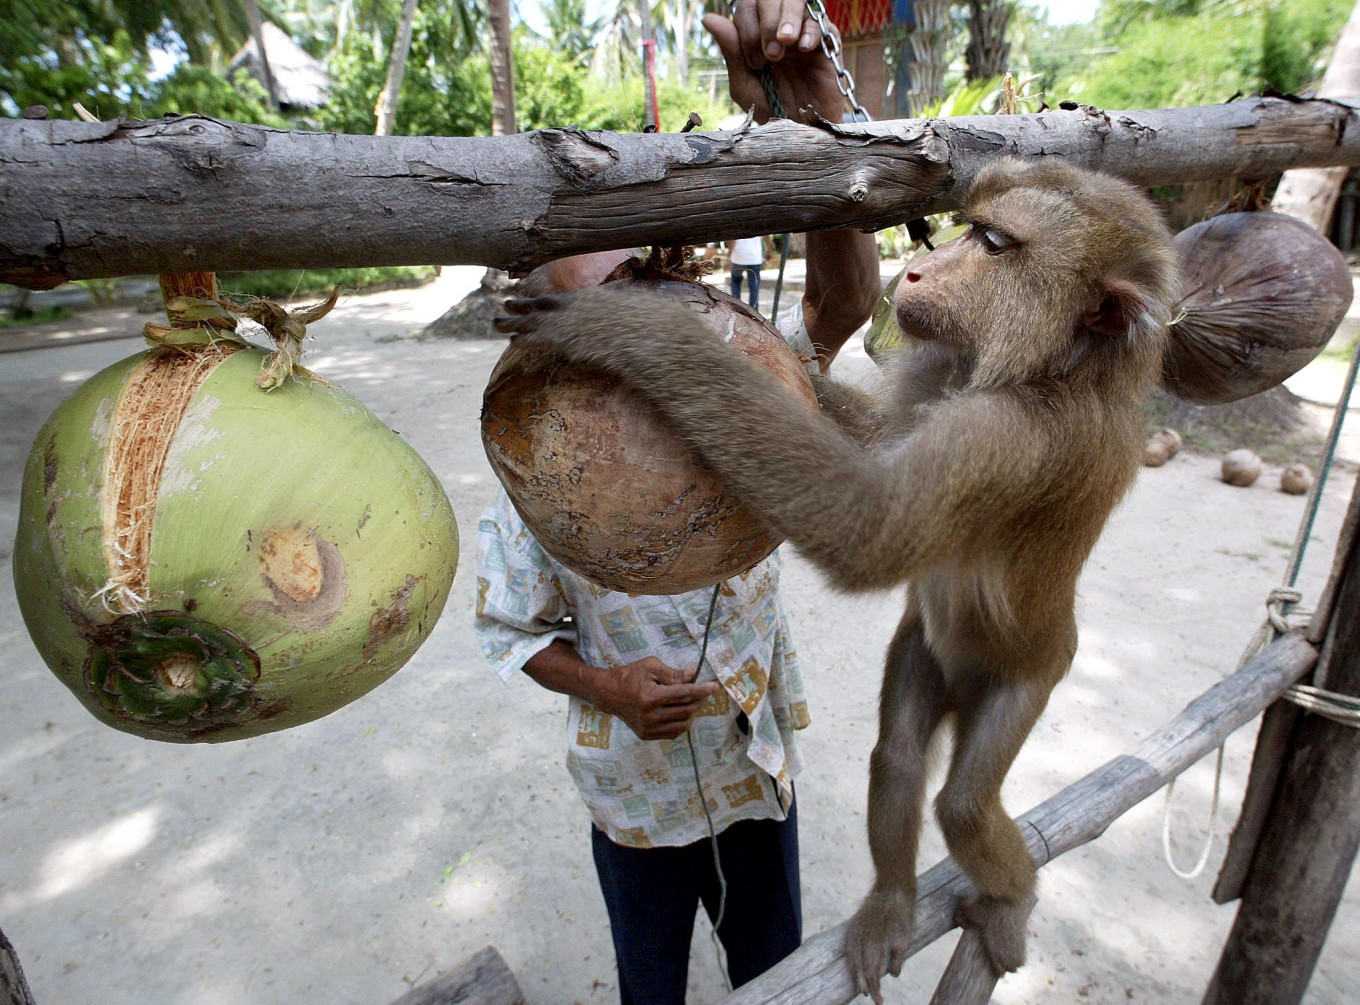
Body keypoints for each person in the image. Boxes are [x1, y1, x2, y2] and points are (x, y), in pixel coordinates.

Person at [475, 4, 880, 1002]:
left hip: (755, 774)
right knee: (648, 985)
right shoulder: (534, 444)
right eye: (606, 293)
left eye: (654, 271)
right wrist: (605, 686)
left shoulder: (746, 369)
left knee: (771, 972)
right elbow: (506, 628)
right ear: (546, 323)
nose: (645, 299)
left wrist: (812, 109)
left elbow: (840, 305)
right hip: (633, 798)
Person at [728, 236, 765, 308]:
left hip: (738, 257)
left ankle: (736, 308)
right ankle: (754, 311)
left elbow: (733, 239)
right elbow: (767, 236)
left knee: (736, 283)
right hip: (755, 257)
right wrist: (769, 248)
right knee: (754, 286)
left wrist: (728, 255)